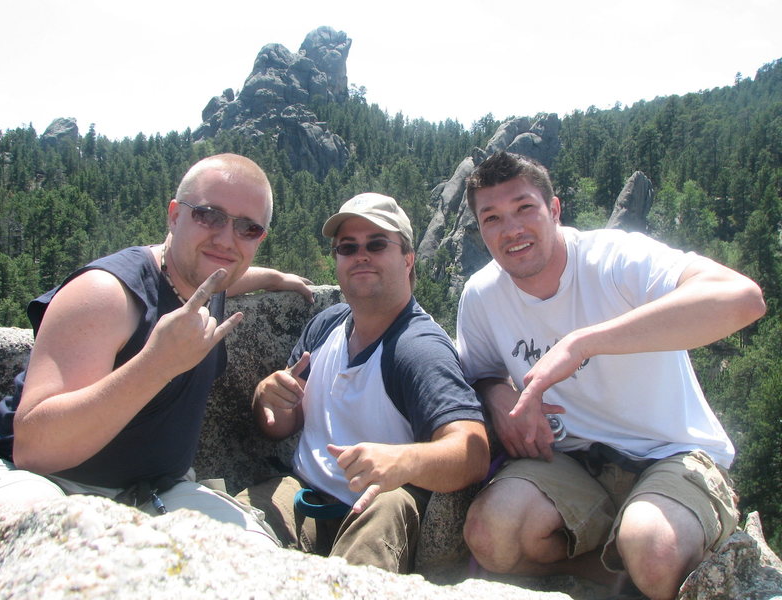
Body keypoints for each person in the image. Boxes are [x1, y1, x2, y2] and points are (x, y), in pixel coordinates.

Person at [456, 152, 766, 599]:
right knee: (492, 537)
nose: (512, 230)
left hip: (671, 452)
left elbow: (741, 299)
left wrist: (583, 343)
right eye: (492, 218)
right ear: (481, 230)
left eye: (525, 208)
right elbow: (481, 372)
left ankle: (650, 553)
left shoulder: (615, 259)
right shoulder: (483, 295)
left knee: (653, 550)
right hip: (573, 461)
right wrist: (498, 399)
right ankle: (622, 573)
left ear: (555, 210)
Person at [0, 153, 312, 547]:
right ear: (174, 216)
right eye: (209, 215)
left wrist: (280, 278)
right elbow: (35, 449)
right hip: (46, 485)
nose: (226, 239)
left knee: (259, 559)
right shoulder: (105, 294)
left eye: (248, 228)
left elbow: (234, 270)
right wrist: (156, 364)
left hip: (159, 493)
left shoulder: (213, 279)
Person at [238, 193, 490, 573]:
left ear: (408, 259)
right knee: (227, 533)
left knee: (382, 519)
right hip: (303, 492)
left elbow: (473, 453)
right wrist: (266, 399)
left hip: (378, 507)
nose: (360, 256)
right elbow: (280, 426)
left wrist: (402, 461)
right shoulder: (326, 325)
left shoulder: (416, 349)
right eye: (347, 247)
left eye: (376, 244)